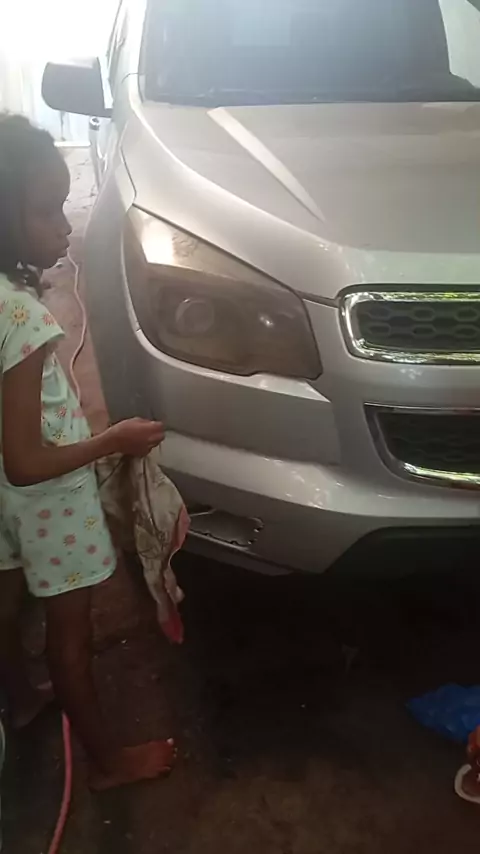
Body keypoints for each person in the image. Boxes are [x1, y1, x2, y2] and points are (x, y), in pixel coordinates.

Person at [0, 114, 175, 790]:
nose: (64, 228)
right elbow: (25, 462)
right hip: (48, 502)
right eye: (46, 212)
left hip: (8, 507)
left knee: (6, 609)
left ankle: (21, 700)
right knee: (70, 642)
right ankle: (108, 761)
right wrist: (112, 440)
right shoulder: (24, 320)